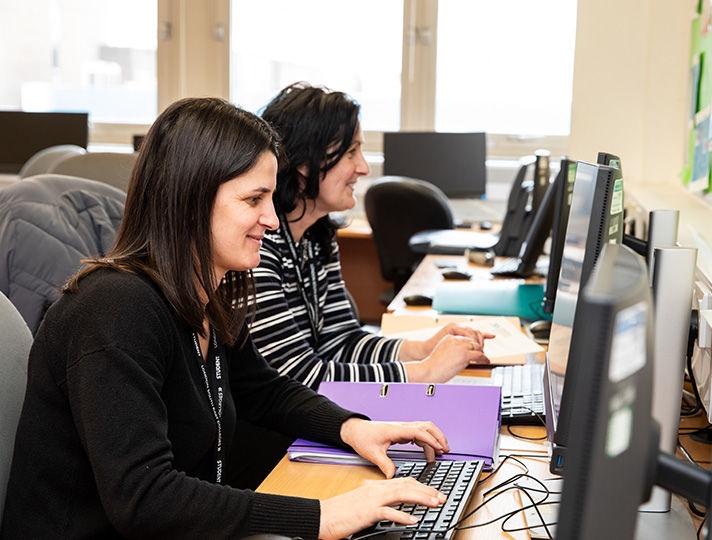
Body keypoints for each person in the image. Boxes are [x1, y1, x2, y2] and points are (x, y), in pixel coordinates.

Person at [1, 97, 455, 540]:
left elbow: (264, 390)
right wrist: (321, 516)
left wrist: (354, 427)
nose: (272, 219)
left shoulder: (208, 294)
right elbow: (143, 498)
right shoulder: (115, 309)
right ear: (190, 200)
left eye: (271, 198)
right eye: (254, 199)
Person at [251, 82, 493, 390]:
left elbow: (342, 343)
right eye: (351, 152)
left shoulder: (315, 236)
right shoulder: (259, 246)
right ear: (303, 161)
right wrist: (423, 373)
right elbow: (299, 378)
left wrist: (422, 349)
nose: (363, 167)